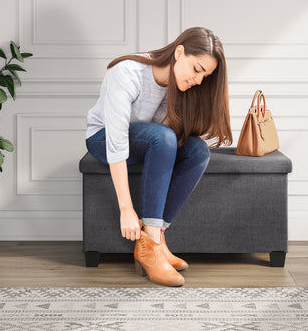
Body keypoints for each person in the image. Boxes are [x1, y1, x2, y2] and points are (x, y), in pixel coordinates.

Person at [85, 27, 233, 287]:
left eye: (205, 76)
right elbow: (117, 141)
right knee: (162, 136)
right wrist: (126, 209)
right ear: (179, 52)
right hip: (103, 137)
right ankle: (152, 246)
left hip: (146, 139)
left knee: (198, 150)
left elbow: (167, 137)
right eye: (197, 69)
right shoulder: (127, 72)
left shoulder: (180, 88)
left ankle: (155, 239)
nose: (199, 80)